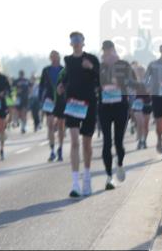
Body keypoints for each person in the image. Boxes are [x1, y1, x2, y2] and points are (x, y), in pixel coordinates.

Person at [58, 32, 100, 197]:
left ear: (83, 42)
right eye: (73, 40)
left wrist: (92, 68)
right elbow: (68, 76)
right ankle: (75, 183)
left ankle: (87, 179)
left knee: (86, 144)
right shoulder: (68, 60)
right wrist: (61, 85)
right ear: (70, 43)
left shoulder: (92, 59)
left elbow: (101, 78)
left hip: (89, 103)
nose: (75, 43)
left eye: (78, 40)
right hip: (73, 104)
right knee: (74, 142)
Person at [98, 40, 132, 190]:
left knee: (118, 141)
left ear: (114, 50)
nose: (107, 53)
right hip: (104, 107)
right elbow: (94, 84)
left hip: (120, 107)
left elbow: (132, 82)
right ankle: (109, 177)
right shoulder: (100, 67)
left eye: (109, 50)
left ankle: (119, 164)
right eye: (104, 50)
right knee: (106, 141)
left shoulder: (123, 65)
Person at [39, 50, 65, 162]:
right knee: (49, 125)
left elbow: (68, 84)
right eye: (52, 56)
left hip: (61, 100)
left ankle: (60, 149)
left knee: (61, 126)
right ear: (50, 58)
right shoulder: (46, 70)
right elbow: (41, 86)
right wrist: (41, 99)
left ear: (59, 57)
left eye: (56, 56)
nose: (54, 58)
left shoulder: (64, 70)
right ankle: (52, 150)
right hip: (49, 100)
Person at [146, 43, 162, 160]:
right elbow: (146, 78)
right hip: (157, 97)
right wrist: (149, 87)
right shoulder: (153, 64)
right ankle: (159, 139)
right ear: (160, 51)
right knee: (159, 125)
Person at [13, 70, 31, 134]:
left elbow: (30, 87)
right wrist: (16, 91)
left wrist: (29, 93)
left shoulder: (27, 80)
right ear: (19, 74)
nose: (21, 75)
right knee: (18, 112)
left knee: (24, 112)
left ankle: (23, 127)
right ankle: (17, 122)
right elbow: (12, 89)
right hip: (18, 98)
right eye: (20, 74)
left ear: (23, 74)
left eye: (22, 74)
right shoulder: (16, 81)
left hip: (25, 98)